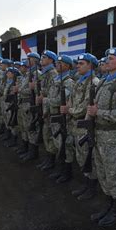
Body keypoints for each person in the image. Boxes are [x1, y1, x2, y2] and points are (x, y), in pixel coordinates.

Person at [86, 47, 116, 227]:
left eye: (112, 58)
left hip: (114, 137)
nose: (107, 61)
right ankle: (108, 205)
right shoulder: (104, 81)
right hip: (100, 135)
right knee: (103, 174)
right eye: (107, 58)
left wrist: (99, 112)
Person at [62, 53, 100, 199]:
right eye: (78, 63)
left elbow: (86, 106)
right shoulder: (79, 81)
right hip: (75, 123)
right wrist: (70, 108)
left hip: (84, 124)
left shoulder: (94, 83)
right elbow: (71, 100)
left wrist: (69, 110)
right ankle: (85, 184)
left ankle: (91, 188)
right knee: (81, 155)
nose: (77, 66)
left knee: (88, 157)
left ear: (90, 66)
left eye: (81, 63)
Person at [47, 55, 76, 183]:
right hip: (53, 115)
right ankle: (60, 169)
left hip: (63, 118)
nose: (57, 64)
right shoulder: (56, 78)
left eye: (61, 63)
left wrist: (48, 101)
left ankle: (67, 172)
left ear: (67, 66)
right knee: (57, 143)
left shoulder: (68, 82)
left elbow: (62, 100)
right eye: (57, 62)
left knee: (65, 145)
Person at [36, 50, 59, 171]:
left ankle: (52, 161)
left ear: (51, 60)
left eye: (44, 57)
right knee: (46, 135)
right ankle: (48, 159)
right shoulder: (45, 73)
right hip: (45, 109)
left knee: (51, 136)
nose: (42, 59)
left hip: (51, 110)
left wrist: (43, 99)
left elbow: (52, 94)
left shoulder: (53, 74)